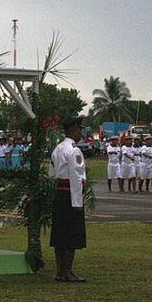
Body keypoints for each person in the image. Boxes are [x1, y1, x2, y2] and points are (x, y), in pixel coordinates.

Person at [49, 116, 87, 283]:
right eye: (80, 129)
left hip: (59, 193)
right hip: (70, 194)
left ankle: (60, 271)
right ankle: (68, 271)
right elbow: (76, 177)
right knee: (71, 235)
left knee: (60, 234)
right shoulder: (74, 149)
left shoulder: (58, 148)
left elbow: (52, 173)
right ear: (75, 130)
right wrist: (78, 202)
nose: (81, 133)